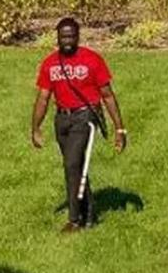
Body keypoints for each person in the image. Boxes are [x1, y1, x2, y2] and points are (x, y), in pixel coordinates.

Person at [30, 18, 127, 231]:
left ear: (78, 36)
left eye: (71, 36)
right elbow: (43, 97)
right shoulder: (50, 63)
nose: (67, 41)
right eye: (63, 36)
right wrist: (35, 127)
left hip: (85, 118)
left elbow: (108, 96)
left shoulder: (92, 60)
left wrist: (119, 128)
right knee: (76, 166)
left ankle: (74, 220)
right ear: (57, 37)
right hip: (62, 119)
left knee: (71, 165)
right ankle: (89, 213)